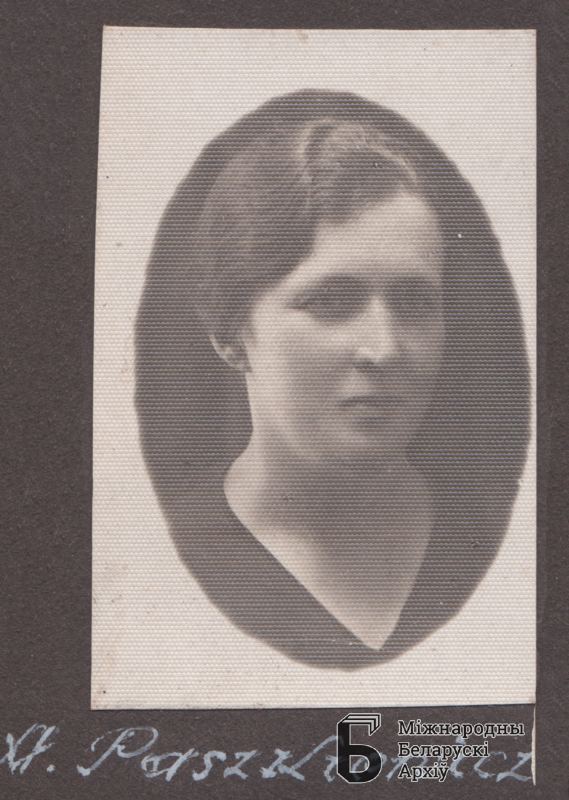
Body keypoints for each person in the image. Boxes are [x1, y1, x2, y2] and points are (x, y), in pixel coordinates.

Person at [136, 89, 530, 669]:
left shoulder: (509, 538)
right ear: (230, 332)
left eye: (415, 300)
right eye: (331, 301)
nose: (385, 349)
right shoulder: (157, 558)